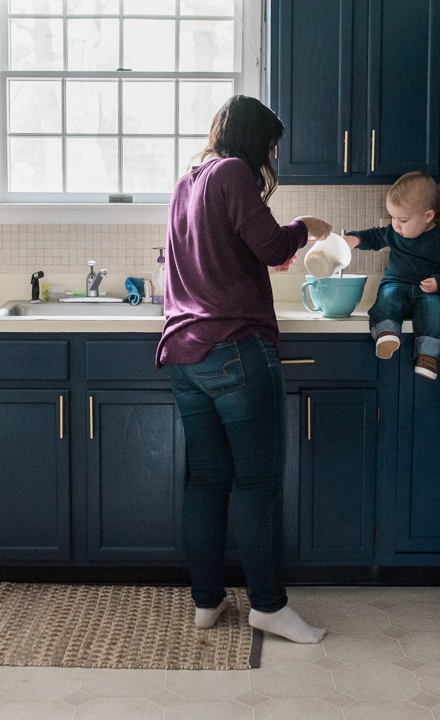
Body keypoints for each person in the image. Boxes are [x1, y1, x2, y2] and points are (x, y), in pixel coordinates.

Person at [156, 95, 331, 644]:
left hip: (185, 354)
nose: (271, 158)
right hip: (234, 347)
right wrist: (308, 227)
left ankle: (207, 601)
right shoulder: (232, 172)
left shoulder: (190, 178)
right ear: (255, 141)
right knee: (256, 484)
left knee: (206, 482)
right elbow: (274, 242)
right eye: (271, 147)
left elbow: (229, 254)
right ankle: (268, 608)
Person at [343, 172, 440, 381]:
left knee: (438, 312)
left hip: (429, 293)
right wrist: (355, 239)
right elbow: (373, 236)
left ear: (428, 216)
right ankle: (386, 333)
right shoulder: (394, 233)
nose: (395, 225)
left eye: (403, 220)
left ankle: (428, 356)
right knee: (387, 300)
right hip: (396, 284)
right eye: (392, 217)